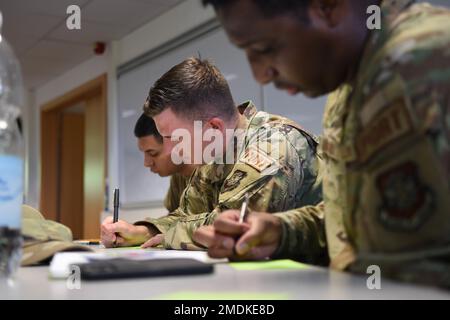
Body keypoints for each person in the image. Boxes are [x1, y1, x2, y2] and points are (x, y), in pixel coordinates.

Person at [195, 0, 450, 287]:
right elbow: (360, 215)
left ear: (328, 7)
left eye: (265, 49)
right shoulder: (346, 88)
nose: (261, 75)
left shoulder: (430, 60)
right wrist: (280, 231)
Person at [103, 57, 324, 254]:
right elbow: (187, 215)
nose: (171, 150)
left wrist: (169, 236)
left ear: (213, 128)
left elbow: (232, 227)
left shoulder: (272, 147)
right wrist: (143, 230)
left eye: (176, 138)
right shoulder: (215, 155)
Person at [101, 113, 189, 248]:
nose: (147, 163)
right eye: (144, 153)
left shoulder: (218, 165)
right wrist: (137, 232)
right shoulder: (179, 175)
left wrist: (141, 233)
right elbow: (178, 219)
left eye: (152, 153)